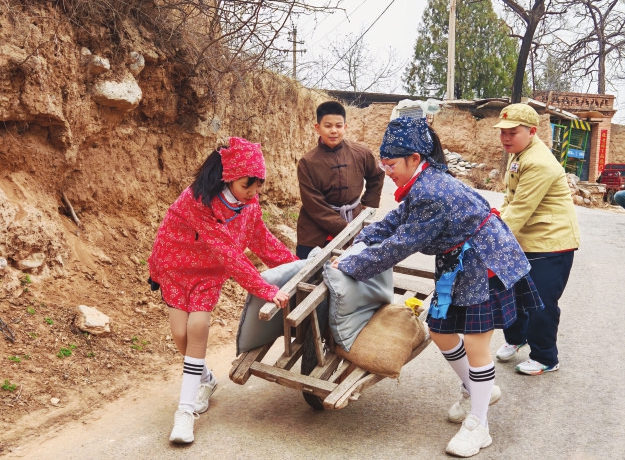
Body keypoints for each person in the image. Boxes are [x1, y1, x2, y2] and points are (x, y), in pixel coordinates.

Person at [332, 117, 543, 458]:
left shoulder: (430, 191)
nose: (388, 172)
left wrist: (352, 264)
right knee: (441, 330)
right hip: (457, 264)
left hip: (483, 262)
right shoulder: (421, 181)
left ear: (415, 158)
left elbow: (403, 243)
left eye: (391, 165)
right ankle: (477, 388)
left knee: (476, 342)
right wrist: (363, 239)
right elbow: (398, 219)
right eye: (384, 166)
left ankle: (479, 425)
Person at [148, 137, 297, 443]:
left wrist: (300, 266)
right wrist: (264, 288)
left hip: (208, 272)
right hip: (175, 266)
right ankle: (205, 379)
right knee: (180, 334)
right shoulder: (196, 201)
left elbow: (262, 241)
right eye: (247, 185)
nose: (254, 192)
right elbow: (229, 252)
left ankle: (185, 412)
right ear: (228, 178)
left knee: (198, 326)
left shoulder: (249, 205)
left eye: (259, 185)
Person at [493, 104, 580, 376]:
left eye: (512, 132)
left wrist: (490, 239)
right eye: (503, 132)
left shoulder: (539, 162)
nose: (506, 138)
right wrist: (493, 223)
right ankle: (516, 338)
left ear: (532, 131)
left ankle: (545, 357)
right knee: (511, 292)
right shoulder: (518, 154)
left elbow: (520, 209)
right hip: (526, 239)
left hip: (551, 243)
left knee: (540, 302)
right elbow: (510, 199)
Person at [296, 101, 385, 259]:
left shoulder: (361, 152)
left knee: (353, 267)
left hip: (353, 219)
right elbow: (313, 203)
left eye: (338, 126)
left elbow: (377, 174)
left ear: (345, 127)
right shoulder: (307, 162)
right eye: (328, 126)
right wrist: (342, 226)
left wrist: (368, 203)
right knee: (308, 267)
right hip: (315, 226)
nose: (333, 131)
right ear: (317, 128)